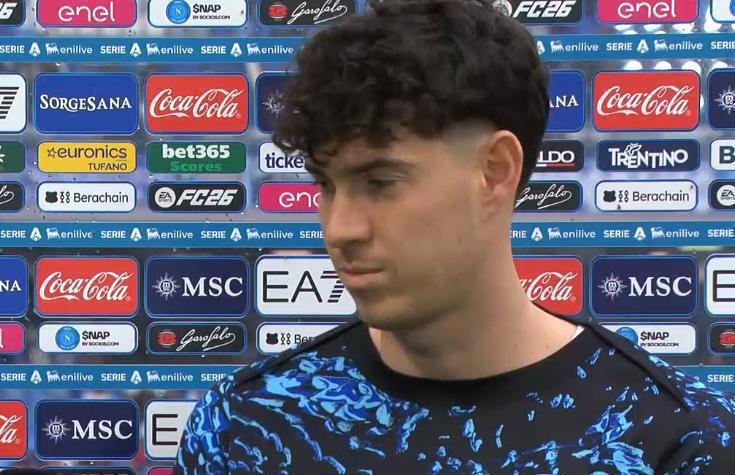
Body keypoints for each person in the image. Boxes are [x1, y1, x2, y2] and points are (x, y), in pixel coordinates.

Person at [174, 0, 735, 473]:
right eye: (327, 185)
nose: (341, 229)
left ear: (494, 171)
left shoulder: (675, 441)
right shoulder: (244, 428)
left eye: (381, 182)